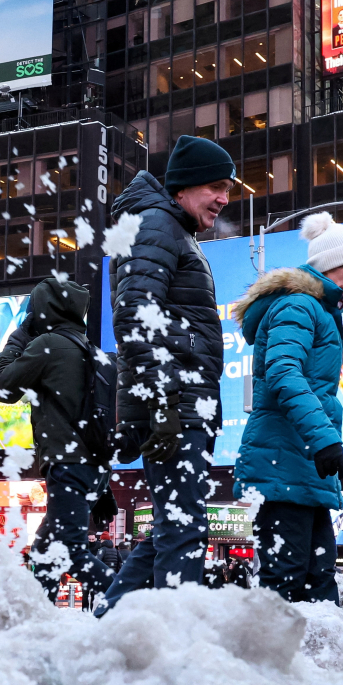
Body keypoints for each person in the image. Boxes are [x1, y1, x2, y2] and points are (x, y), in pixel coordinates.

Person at [97, 135, 231, 616]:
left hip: (182, 402)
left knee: (176, 524)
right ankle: (178, 635)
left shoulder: (171, 230)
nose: (224, 198)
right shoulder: (157, 225)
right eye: (215, 186)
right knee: (182, 525)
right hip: (175, 403)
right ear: (184, 187)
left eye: (228, 188)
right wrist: (162, 407)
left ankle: (109, 620)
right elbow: (134, 317)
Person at [232, 215, 343, 604]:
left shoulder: (319, 311)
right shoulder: (298, 306)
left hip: (300, 464)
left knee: (317, 581)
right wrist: (325, 438)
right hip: (285, 463)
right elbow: (283, 373)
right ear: (329, 265)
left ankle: (321, 666)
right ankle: (268, 665)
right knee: (287, 584)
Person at [0, 277, 116, 603]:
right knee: (45, 548)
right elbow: (92, 422)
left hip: (68, 465)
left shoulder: (48, 345)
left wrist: (19, 336)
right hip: (92, 469)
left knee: (71, 550)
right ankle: (38, 615)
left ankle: (127, 600)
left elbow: (2, 387)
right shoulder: (94, 353)